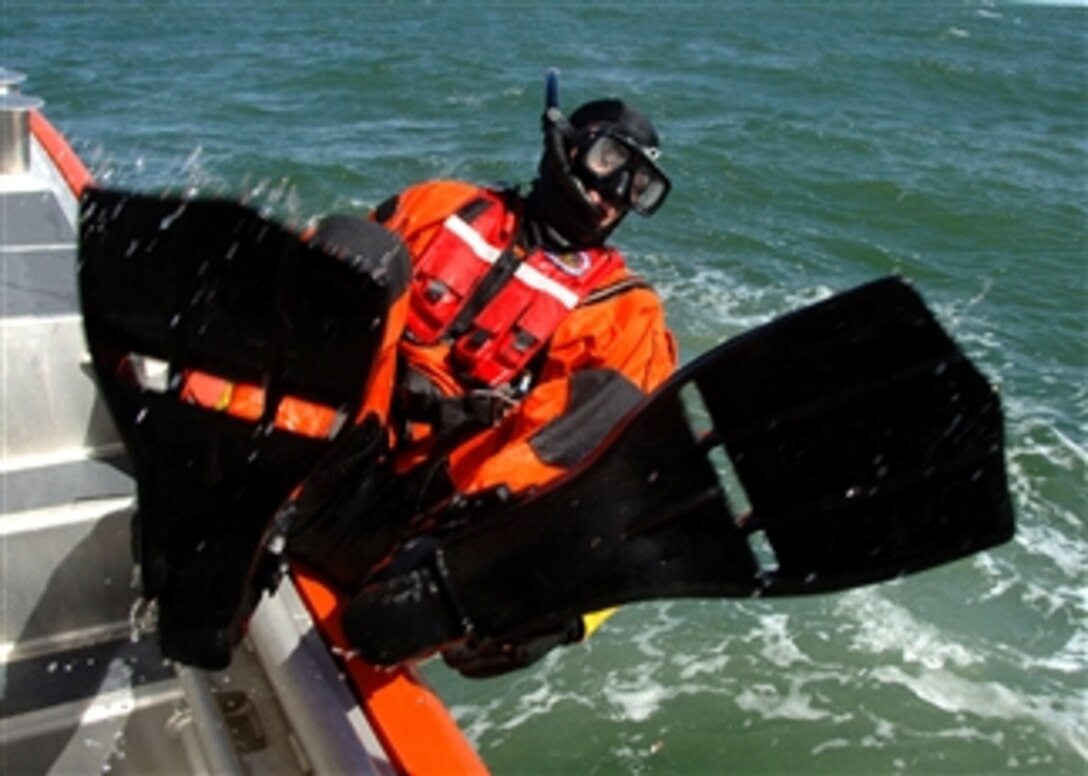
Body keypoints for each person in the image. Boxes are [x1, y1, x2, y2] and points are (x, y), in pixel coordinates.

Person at [189, 82, 678, 675]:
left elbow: (623, 489)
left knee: (616, 406)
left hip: (420, 538)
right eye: (609, 163)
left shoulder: (625, 313)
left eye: (639, 189)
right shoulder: (437, 209)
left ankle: (458, 598)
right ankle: (228, 492)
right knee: (350, 250)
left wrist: (571, 618)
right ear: (563, 146)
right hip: (316, 465)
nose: (613, 196)